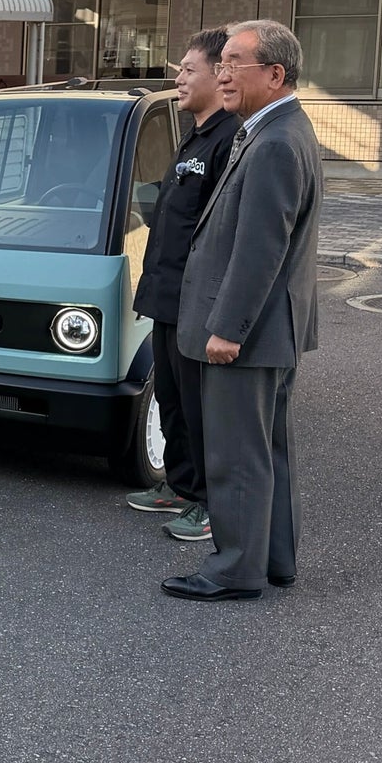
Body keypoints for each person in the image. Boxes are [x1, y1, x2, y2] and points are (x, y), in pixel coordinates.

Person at [162, 20, 322, 603]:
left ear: (275, 74)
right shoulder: (276, 129)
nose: (222, 74)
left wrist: (227, 329)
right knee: (267, 449)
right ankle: (273, 559)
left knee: (238, 455)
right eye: (222, 63)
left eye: (234, 63)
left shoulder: (275, 141)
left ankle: (235, 570)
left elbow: (261, 248)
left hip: (248, 334)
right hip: (272, 328)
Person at [126, 29, 239, 543]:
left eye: (189, 70)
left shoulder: (229, 140)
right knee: (171, 400)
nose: (179, 79)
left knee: (200, 408)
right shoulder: (195, 134)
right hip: (166, 296)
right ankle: (180, 484)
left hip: (196, 304)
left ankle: (210, 503)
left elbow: (224, 234)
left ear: (219, 75)